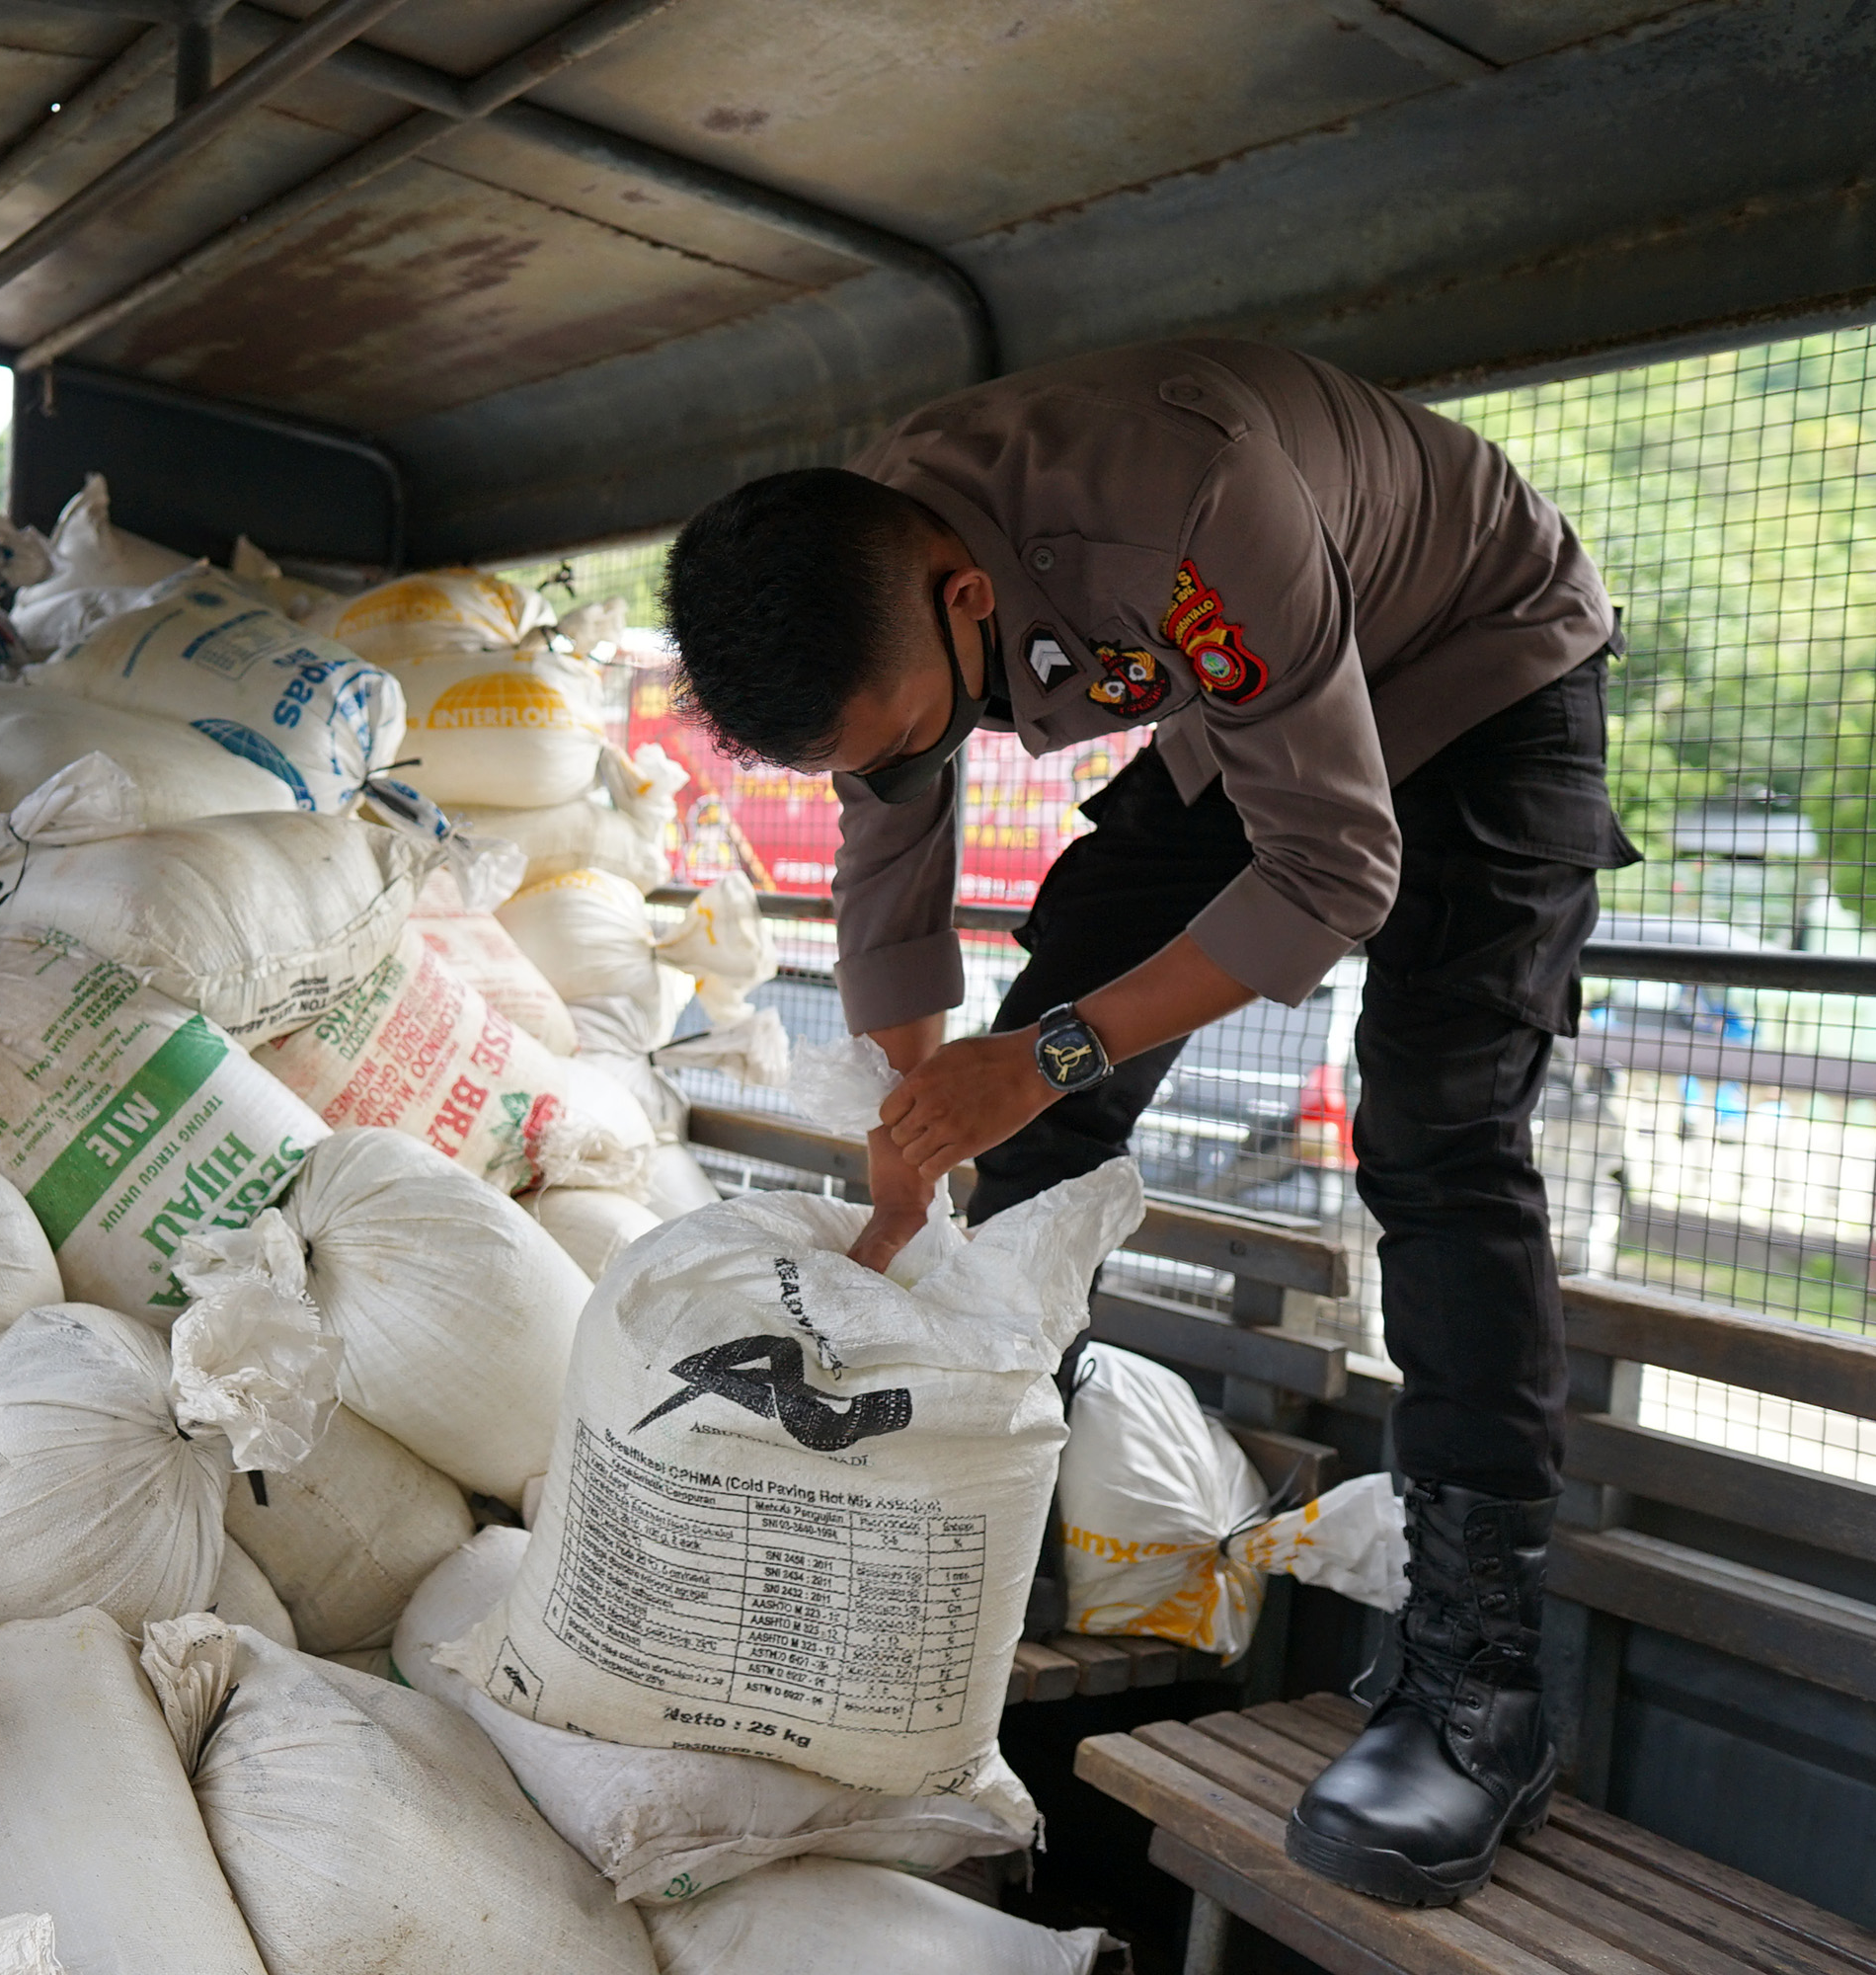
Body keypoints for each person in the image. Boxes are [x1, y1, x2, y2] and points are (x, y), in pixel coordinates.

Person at [662, 339, 1636, 1909]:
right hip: (1270, 688)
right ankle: (979, 1539)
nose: (909, 765)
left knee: (1439, 1134)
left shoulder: (1185, 512)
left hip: (1477, 659)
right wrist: (923, 1128)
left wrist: (1039, 1057)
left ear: (962, 597)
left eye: (915, 731)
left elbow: (1331, 872)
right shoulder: (871, 582)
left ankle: (1481, 1690)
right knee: (1037, 1116)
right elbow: (894, 870)